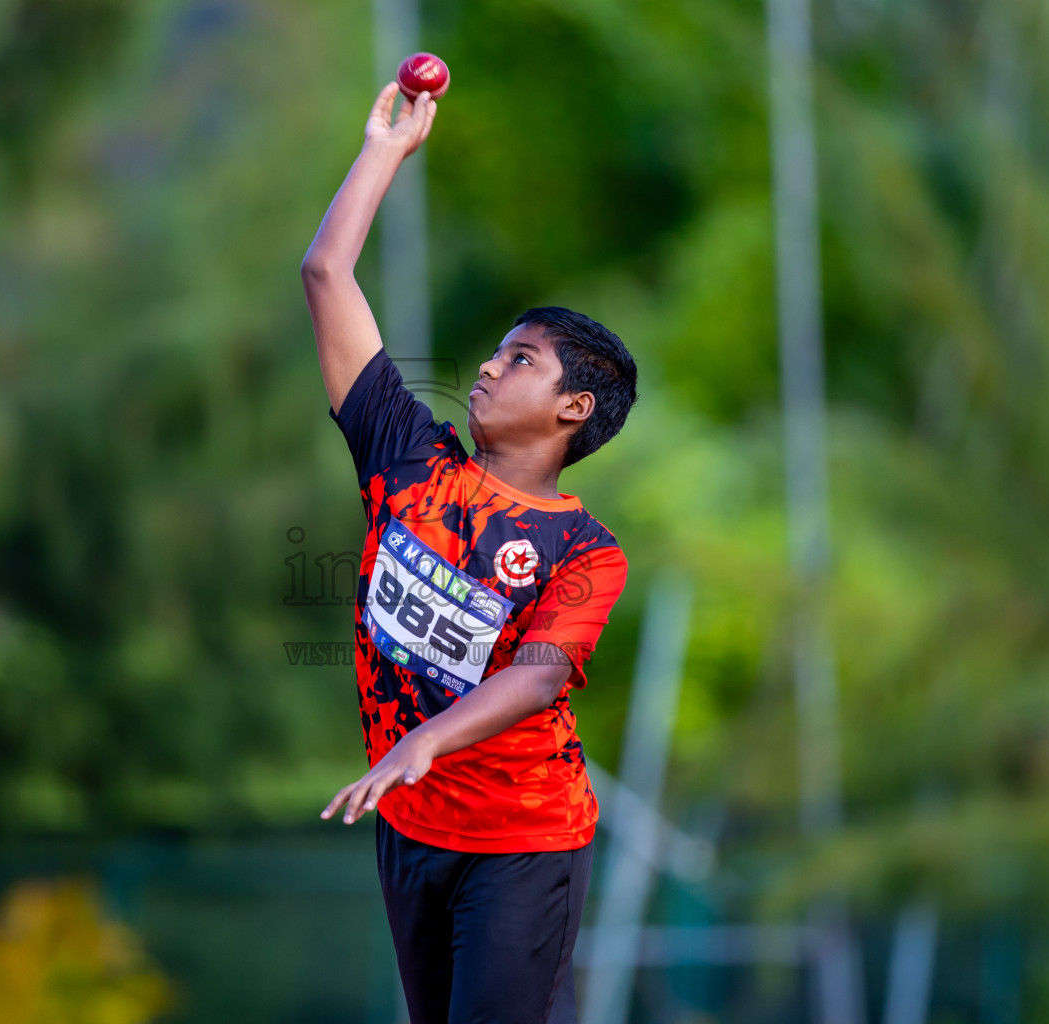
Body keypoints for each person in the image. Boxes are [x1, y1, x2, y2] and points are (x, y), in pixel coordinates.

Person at [301, 80, 638, 1024]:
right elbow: (327, 276)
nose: (489, 365)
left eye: (520, 358)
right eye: (496, 351)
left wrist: (421, 742)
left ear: (574, 408)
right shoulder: (408, 457)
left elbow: (535, 681)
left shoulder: (586, 551)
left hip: (525, 838)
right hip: (410, 825)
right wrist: (384, 151)